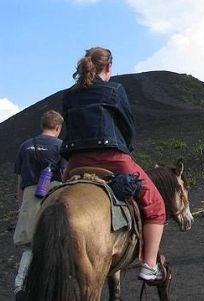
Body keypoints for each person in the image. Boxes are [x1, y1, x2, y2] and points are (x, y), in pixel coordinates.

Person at [60, 47, 166, 282]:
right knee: (156, 206)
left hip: (75, 162)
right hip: (114, 159)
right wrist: (126, 151)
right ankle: (149, 265)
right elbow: (127, 127)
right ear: (109, 66)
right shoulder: (115, 90)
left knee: (54, 198)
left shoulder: (69, 96)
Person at [13, 110, 66, 298]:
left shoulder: (25, 146)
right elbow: (66, 174)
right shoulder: (61, 146)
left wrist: (22, 205)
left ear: (42, 125)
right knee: (55, 242)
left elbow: (20, 180)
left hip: (29, 196)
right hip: (54, 195)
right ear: (58, 127)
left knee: (30, 245)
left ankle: (20, 287)